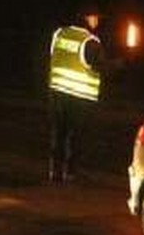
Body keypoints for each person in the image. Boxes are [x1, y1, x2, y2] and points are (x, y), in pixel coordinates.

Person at [47, 13, 115, 183]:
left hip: (57, 91)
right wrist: (120, 64)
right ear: (87, 19)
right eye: (94, 17)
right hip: (79, 96)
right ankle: (70, 172)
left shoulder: (59, 33)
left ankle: (54, 171)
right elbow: (100, 66)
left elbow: (53, 56)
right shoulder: (90, 41)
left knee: (58, 132)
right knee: (75, 135)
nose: (97, 21)